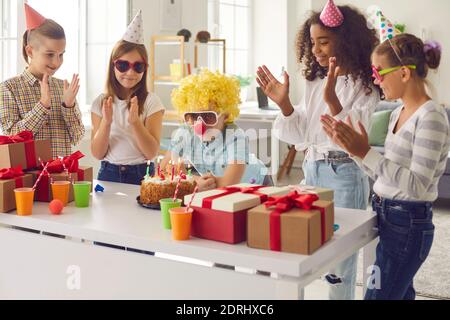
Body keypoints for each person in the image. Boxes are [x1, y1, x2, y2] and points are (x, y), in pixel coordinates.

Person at [256, 0, 380, 299]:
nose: (316, 50)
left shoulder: (367, 87)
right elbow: (302, 132)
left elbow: (354, 138)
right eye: (312, 42)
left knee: (340, 263)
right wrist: (284, 104)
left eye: (323, 42)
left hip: (345, 173)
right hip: (312, 168)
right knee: (301, 246)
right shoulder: (315, 80)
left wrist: (333, 100)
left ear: (346, 42)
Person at [321, 33, 449, 300]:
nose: (376, 79)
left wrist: (366, 152)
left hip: (408, 222)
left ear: (404, 73)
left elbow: (416, 185)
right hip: (386, 214)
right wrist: (355, 152)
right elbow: (383, 175)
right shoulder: (396, 113)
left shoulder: (432, 117)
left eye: (379, 72)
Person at [0, 3, 84, 157]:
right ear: (30, 51)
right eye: (50, 54)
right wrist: (43, 106)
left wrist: (68, 106)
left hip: (61, 179)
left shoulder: (62, 88)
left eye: (61, 54)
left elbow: (77, 137)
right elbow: (11, 139)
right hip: (29, 179)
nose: (56, 62)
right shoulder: (8, 88)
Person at [91, 11, 164, 185]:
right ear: (113, 65)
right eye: (123, 65)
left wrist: (135, 123)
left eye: (138, 66)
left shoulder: (151, 102)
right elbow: (97, 153)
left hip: (142, 174)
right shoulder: (101, 103)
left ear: (145, 69)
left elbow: (151, 153)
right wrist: (106, 123)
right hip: (108, 173)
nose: (130, 72)